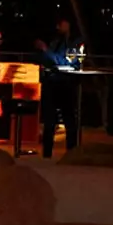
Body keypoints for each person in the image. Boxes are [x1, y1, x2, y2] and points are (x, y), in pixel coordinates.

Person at [34, 17, 81, 159]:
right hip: (51, 82)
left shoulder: (74, 43)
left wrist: (45, 50)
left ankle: (71, 152)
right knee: (49, 120)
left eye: (64, 26)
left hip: (66, 83)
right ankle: (47, 153)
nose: (61, 29)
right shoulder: (55, 42)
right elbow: (48, 60)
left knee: (69, 119)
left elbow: (64, 61)